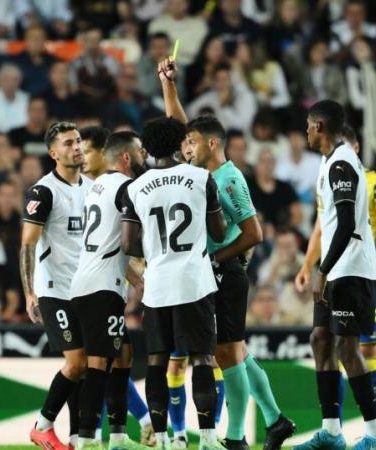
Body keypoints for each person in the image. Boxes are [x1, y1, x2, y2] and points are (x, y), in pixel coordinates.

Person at [159, 57, 296, 450]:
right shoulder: (202, 169)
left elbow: (254, 232)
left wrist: (217, 259)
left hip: (226, 272)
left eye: (193, 144)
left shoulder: (229, 179)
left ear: (212, 145)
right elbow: (183, 127)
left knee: (227, 355)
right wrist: (169, 84)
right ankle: (275, 420)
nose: (186, 149)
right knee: (237, 353)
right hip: (213, 271)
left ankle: (236, 437)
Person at [120, 115, 227, 450]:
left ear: (148, 150)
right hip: (195, 281)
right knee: (201, 359)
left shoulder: (134, 188)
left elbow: (127, 245)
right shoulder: (200, 178)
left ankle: (166, 438)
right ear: (181, 142)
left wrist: (152, 246)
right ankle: (208, 437)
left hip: (158, 284)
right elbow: (219, 232)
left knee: (157, 361)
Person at [291, 100, 376, 450]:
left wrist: (322, 269)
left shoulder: (342, 164)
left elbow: (347, 223)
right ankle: (332, 431)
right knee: (320, 338)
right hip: (338, 269)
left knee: (347, 348)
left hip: (350, 270)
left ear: (319, 126)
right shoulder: (329, 161)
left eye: (308, 124)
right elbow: (331, 223)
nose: (305, 130)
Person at [70, 131, 147, 450]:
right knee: (99, 362)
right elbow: (136, 235)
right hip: (100, 286)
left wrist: (133, 278)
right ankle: (87, 438)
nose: (145, 155)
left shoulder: (97, 185)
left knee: (124, 354)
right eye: (141, 151)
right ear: (127, 157)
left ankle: (117, 436)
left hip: (95, 282)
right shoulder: (127, 187)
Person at [21, 122, 92, 449]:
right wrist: (29, 293)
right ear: (53, 153)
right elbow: (27, 245)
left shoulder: (92, 188)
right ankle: (43, 425)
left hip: (86, 289)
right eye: (68, 143)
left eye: (78, 141)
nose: (76, 147)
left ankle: (77, 439)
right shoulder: (44, 191)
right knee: (76, 362)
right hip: (54, 290)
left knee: (85, 367)